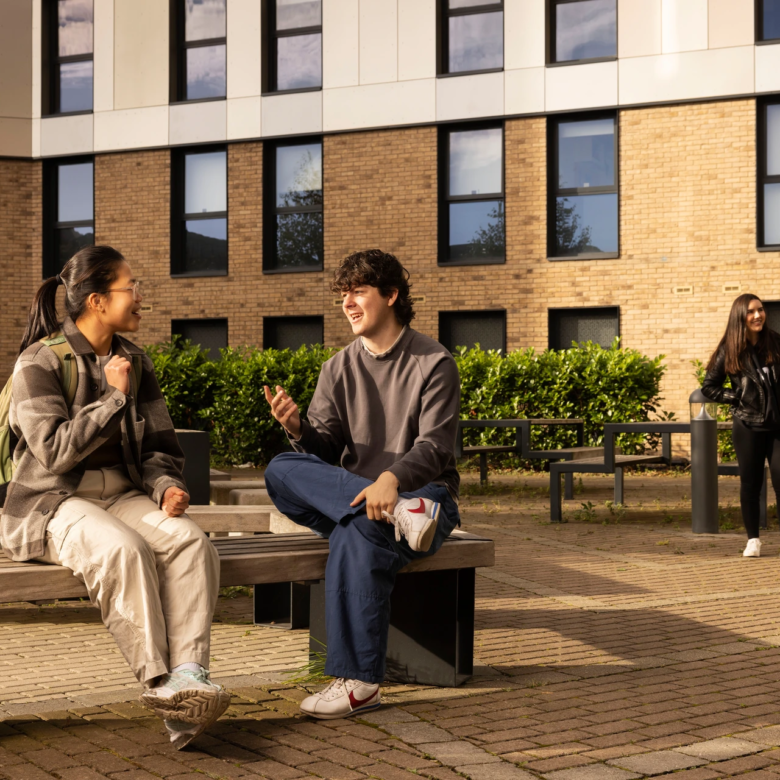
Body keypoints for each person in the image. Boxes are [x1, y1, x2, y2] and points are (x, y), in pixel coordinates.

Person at [2, 246, 229, 748]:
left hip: (122, 494)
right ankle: (159, 682)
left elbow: (160, 447)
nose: (141, 296)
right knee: (122, 550)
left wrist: (165, 485)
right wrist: (113, 400)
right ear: (99, 300)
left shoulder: (135, 359)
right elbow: (53, 452)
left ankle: (188, 677)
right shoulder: (39, 361)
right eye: (133, 287)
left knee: (191, 542)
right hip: (51, 504)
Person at [263, 248, 461, 720]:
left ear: (391, 295)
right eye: (343, 295)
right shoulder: (336, 367)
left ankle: (359, 681)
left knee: (357, 533)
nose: (348, 303)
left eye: (358, 292)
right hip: (374, 504)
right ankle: (389, 516)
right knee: (280, 468)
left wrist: (391, 481)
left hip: (426, 498)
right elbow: (325, 450)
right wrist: (298, 430)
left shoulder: (434, 362)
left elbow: (435, 446)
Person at [702, 293, 780, 557]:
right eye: (751, 312)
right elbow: (709, 387)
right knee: (750, 484)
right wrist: (735, 398)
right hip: (747, 425)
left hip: (778, 425)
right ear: (740, 317)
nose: (758, 315)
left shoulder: (776, 342)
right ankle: (753, 540)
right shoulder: (730, 349)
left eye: (760, 310)